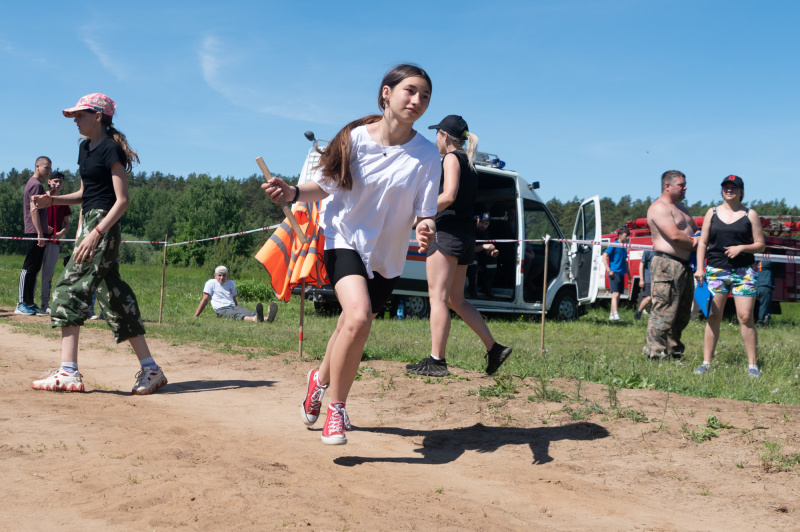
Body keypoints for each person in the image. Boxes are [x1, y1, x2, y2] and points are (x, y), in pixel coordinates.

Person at [263, 65, 440, 445]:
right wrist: (292, 192)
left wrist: (426, 227)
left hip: (387, 256)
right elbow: (323, 187)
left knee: (350, 324)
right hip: (343, 239)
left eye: (425, 96)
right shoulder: (356, 140)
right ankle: (336, 410)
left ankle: (319, 380)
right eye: (410, 91)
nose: (417, 101)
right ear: (386, 93)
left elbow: (425, 213)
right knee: (358, 317)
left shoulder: (427, 155)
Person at [30, 93, 167, 395]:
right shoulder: (84, 148)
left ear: (98, 116)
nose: (75, 120)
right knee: (113, 295)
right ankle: (151, 369)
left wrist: (97, 232)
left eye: (80, 114)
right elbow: (85, 193)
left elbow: (122, 201)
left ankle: (68, 372)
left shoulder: (110, 149)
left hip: (103, 224)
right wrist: (50, 200)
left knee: (69, 286)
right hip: (89, 221)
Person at [406, 115, 512, 378]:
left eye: (437, 135)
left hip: (448, 234)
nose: (436, 141)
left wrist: (420, 215)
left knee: (438, 298)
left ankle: (436, 360)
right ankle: (494, 348)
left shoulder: (452, 158)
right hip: (465, 236)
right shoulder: (469, 161)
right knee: (456, 299)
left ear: (444, 136)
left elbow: (450, 195)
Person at [694, 175, 765, 377]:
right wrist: (700, 268)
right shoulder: (712, 212)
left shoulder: (750, 214)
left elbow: (760, 244)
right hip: (716, 269)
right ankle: (706, 363)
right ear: (722, 190)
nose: (729, 190)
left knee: (745, 316)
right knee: (713, 315)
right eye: (726, 186)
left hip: (744, 271)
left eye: (734, 187)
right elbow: (702, 243)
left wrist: (742, 247)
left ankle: (753, 366)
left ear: (741, 191)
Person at [645, 170, 699, 359]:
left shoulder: (682, 208)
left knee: (682, 314)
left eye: (685, 185)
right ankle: (655, 353)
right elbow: (675, 236)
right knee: (664, 311)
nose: (685, 188)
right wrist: (696, 243)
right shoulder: (659, 208)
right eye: (681, 185)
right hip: (667, 264)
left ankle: (674, 351)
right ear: (667, 186)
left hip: (685, 266)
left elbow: (696, 232)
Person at [16, 156, 51, 316]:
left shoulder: (38, 185)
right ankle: (21, 303)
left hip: (39, 232)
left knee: (35, 267)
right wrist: (38, 232)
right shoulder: (35, 184)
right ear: (38, 166)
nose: (49, 171)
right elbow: (33, 209)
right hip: (34, 232)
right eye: (47, 168)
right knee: (29, 267)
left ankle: (29, 302)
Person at [193, 265, 278, 323]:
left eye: (224, 275)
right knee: (236, 315)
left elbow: (233, 298)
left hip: (233, 306)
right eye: (219, 275)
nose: (221, 277)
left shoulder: (231, 283)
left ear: (227, 276)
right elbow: (205, 299)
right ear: (215, 275)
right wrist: (196, 315)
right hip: (221, 309)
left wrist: (238, 307)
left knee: (248, 312)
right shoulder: (210, 283)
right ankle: (254, 319)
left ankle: (267, 318)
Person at [39, 171, 72, 314]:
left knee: (48, 274)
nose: (58, 184)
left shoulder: (63, 200)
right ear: (49, 181)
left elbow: (67, 224)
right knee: (33, 272)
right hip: (38, 240)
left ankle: (44, 304)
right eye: (55, 181)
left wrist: (61, 233)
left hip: (54, 242)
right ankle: (28, 302)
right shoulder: (42, 197)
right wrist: (42, 227)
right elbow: (31, 216)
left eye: (60, 182)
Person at [466, 213, 499, 298]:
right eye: (481, 222)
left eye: (486, 224)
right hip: (467, 256)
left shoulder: (486, 232)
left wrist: (492, 253)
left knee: (492, 260)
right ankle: (472, 288)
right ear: (477, 219)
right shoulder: (470, 229)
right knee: (473, 258)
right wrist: (483, 246)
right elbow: (469, 249)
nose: (483, 225)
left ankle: (486, 287)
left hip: (480, 255)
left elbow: (485, 250)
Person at [603, 226, 630, 321]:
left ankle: (611, 315)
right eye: (626, 236)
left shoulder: (624, 247)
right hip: (614, 272)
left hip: (622, 273)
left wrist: (629, 276)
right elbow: (604, 256)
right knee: (616, 294)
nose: (627, 238)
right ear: (620, 235)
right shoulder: (614, 244)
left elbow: (625, 262)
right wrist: (609, 270)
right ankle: (616, 314)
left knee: (618, 295)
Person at [635, 249, 654, 321]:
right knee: (648, 298)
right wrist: (641, 279)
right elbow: (641, 264)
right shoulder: (647, 251)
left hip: (658, 280)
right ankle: (638, 313)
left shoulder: (661, 251)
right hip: (648, 279)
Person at [755, 260, 774, 327]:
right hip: (765, 287)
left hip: (759, 286)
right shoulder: (766, 263)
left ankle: (764, 318)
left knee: (763, 305)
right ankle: (761, 322)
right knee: (764, 305)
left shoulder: (759, 264)